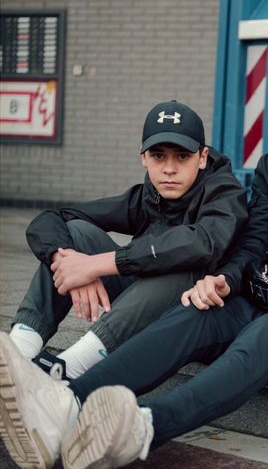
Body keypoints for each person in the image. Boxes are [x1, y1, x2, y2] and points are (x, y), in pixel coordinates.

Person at [0, 40, 268, 469]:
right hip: (259, 292)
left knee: (262, 332)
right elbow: (254, 244)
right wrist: (224, 280)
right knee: (196, 305)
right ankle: (67, 402)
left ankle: (141, 425)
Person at [7, 100, 247, 381]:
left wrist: (100, 264)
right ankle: (18, 351)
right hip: (142, 312)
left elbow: (202, 243)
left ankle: (70, 368)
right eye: (158, 156)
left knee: (185, 264)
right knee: (75, 233)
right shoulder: (147, 196)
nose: (169, 168)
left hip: (199, 320)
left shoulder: (225, 193)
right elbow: (51, 218)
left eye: (182, 157)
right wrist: (68, 263)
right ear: (143, 158)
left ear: (202, 157)